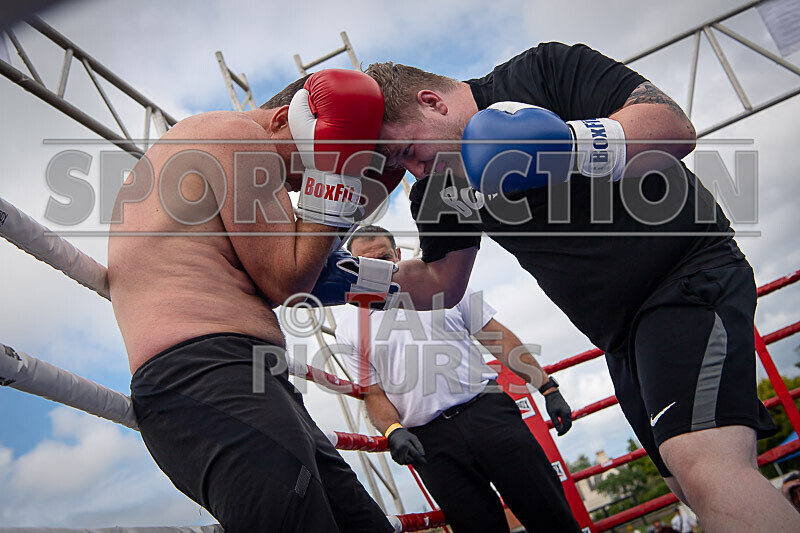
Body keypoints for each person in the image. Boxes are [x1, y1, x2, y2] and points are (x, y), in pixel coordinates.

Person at [357, 42, 800, 531]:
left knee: (703, 466)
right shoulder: (438, 187)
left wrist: (564, 146)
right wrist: (344, 276)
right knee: (688, 483)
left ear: (432, 102)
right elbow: (442, 284)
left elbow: (673, 128)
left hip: (685, 278)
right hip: (620, 338)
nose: (415, 171)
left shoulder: (540, 73)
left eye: (408, 152)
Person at [108, 69, 403, 532]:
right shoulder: (236, 136)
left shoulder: (203, 144)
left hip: (240, 377)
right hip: (208, 378)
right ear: (284, 119)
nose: (295, 190)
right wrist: (337, 177)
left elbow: (307, 269)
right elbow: (288, 279)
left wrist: (383, 268)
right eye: (302, 170)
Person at [334, 225, 579, 533]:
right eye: (367, 263)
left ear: (397, 255)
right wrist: (393, 430)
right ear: (355, 267)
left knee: (551, 515)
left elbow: (496, 337)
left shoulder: (442, 283)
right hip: (431, 442)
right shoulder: (348, 326)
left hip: (488, 414)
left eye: (384, 259)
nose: (378, 269)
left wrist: (547, 386)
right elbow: (373, 393)